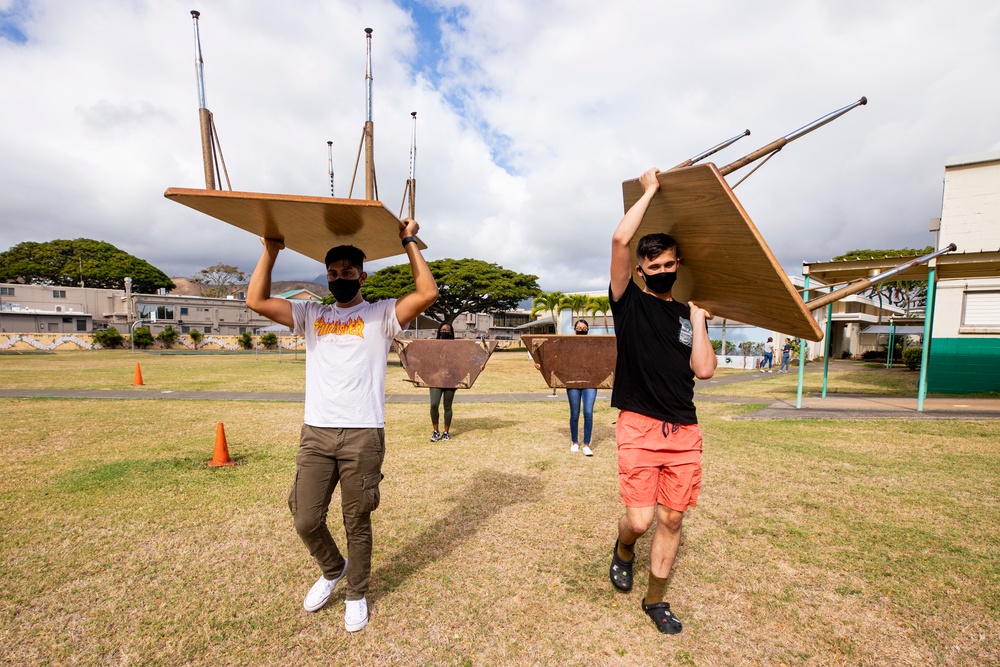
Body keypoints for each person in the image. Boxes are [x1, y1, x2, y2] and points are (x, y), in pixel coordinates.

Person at [246, 219, 437, 633]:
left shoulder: (381, 313)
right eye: (333, 274)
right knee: (305, 517)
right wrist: (272, 249)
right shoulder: (311, 314)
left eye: (347, 272)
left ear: (361, 276)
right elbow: (256, 300)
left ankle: (356, 593)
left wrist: (408, 241)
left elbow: (427, 293)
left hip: (363, 433)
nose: (339, 279)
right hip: (316, 431)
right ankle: (333, 569)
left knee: (357, 520)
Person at [607, 167, 717, 635]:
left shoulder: (687, 315)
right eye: (655, 267)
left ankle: (656, 601)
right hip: (638, 424)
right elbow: (618, 241)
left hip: (683, 429)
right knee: (640, 518)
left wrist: (701, 321)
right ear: (641, 271)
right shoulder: (627, 301)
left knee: (671, 517)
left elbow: (705, 370)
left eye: (671, 265)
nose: (664, 272)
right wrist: (651, 189)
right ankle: (624, 547)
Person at [567, 319, 597, 456]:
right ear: (574, 329)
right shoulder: (569, 345)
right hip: (573, 382)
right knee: (574, 413)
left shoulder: (594, 345)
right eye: (579, 327)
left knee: (588, 412)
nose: (581, 329)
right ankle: (574, 442)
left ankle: (586, 445)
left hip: (590, 382)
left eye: (584, 327)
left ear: (588, 329)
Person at [429, 322, 456, 442]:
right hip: (436, 378)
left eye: (447, 330)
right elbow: (423, 359)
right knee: (434, 404)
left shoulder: (457, 346)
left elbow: (465, 360)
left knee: (447, 406)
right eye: (442, 330)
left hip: (451, 378)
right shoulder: (433, 345)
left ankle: (446, 432)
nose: (444, 332)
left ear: (451, 332)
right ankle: (436, 431)